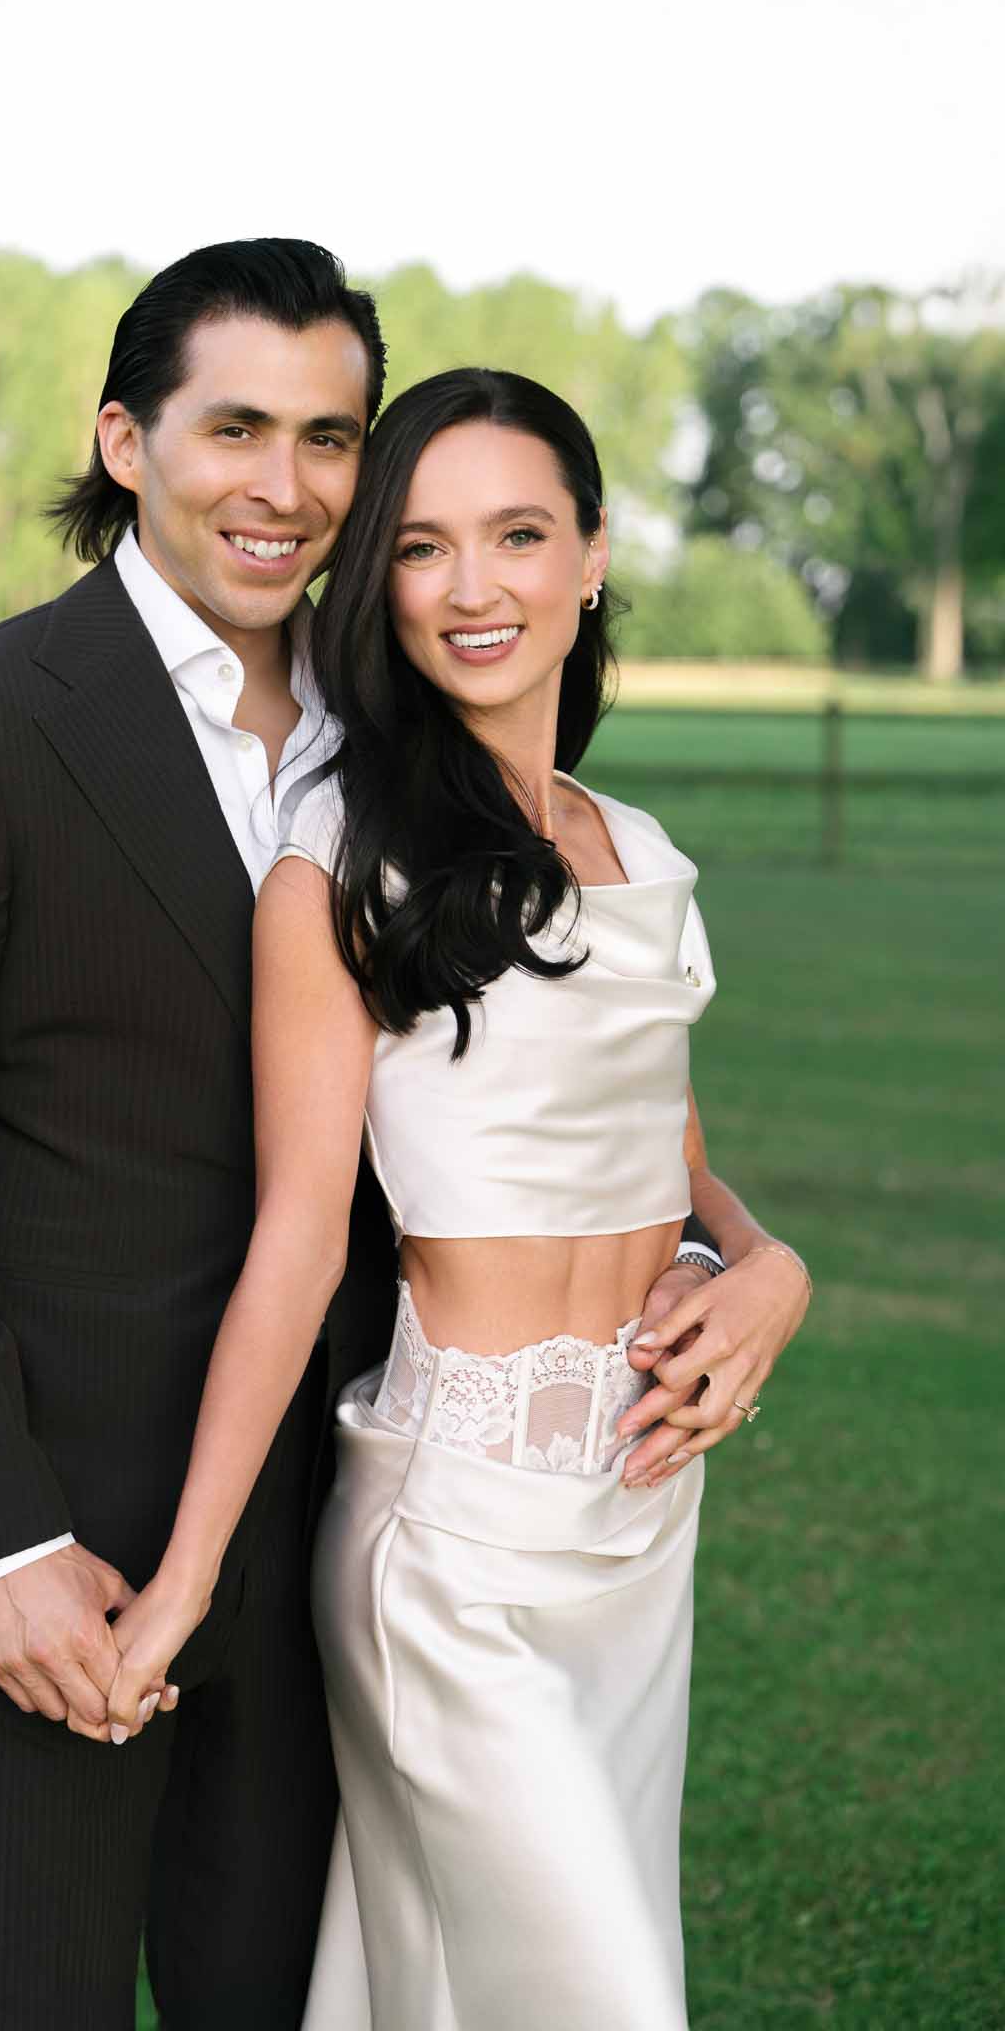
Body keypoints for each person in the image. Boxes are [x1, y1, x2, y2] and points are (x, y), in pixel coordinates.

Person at [105, 367, 812, 2029]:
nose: (475, 586)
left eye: (518, 535)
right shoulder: (334, 862)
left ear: (592, 556)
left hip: (640, 1521)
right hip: (455, 1548)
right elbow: (297, 1241)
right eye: (422, 547)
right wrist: (188, 1577)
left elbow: (675, 1159)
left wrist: (770, 1262)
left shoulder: (639, 854)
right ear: (379, 585)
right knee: (609, 2000)